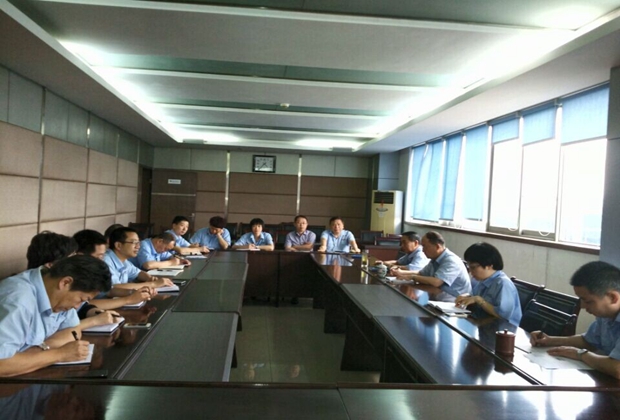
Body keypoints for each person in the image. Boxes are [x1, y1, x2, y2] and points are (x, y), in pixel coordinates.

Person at [0, 255, 111, 376]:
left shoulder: (58, 294)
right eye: (81, 299)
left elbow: (73, 331)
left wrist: (41, 349)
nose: (77, 307)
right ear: (65, 282)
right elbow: (2, 364)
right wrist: (60, 354)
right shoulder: (17, 301)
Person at [530, 261, 620, 379]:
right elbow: (588, 341)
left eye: (588, 301)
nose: (582, 306)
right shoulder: (605, 316)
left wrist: (580, 354)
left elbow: (617, 368)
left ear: (613, 298)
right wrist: (549, 340)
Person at [74, 229, 151, 314]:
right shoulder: (73, 275)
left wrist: (132, 292)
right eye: (99, 257)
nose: (103, 261)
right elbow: (83, 305)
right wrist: (128, 300)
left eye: (103, 256)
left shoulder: (94, 270)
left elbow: (108, 290)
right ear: (81, 256)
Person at [454, 242, 522, 326]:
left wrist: (479, 300)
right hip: (484, 324)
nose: (470, 271)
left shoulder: (503, 284)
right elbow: (475, 299)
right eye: (469, 267)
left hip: (503, 330)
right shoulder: (480, 280)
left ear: (489, 265)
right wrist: (467, 298)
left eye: (473, 267)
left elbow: (502, 316)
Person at [394, 231, 471, 300]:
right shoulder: (434, 259)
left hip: (453, 303)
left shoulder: (451, 260)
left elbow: (436, 282)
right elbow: (421, 273)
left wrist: (411, 277)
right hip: (437, 300)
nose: (423, 250)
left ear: (437, 247)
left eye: (425, 246)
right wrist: (402, 276)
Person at [103, 227, 174, 295]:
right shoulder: (105, 261)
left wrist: (150, 278)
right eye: (134, 242)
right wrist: (153, 284)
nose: (138, 246)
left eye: (138, 242)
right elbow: (114, 288)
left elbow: (138, 273)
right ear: (118, 245)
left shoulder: (124, 261)